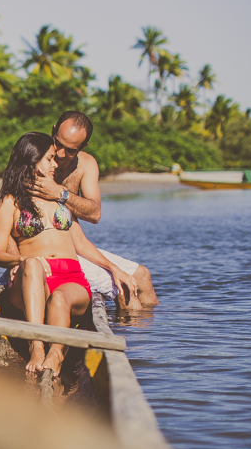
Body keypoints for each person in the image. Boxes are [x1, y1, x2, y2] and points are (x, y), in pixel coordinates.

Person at [0, 132, 139, 375]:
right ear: (32, 161)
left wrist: (114, 268)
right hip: (32, 280)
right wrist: (22, 260)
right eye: (49, 159)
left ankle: (56, 354)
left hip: (71, 279)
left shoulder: (60, 200)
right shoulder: (10, 202)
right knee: (34, 266)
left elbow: (81, 243)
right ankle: (36, 347)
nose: (55, 164)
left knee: (60, 299)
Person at [23, 110, 158, 308]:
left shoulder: (86, 164)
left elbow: (94, 214)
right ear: (53, 131)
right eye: (57, 144)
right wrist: (17, 263)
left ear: (83, 146)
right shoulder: (34, 158)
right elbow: (9, 214)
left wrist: (61, 193)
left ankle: (155, 336)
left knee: (142, 275)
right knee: (125, 288)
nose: (60, 155)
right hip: (45, 252)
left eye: (70, 150)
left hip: (75, 244)